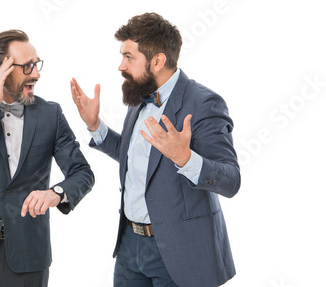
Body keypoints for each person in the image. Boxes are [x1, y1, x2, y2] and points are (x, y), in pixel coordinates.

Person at [71, 13, 240, 287]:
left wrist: (185, 158)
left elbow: (231, 181)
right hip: (129, 249)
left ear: (158, 61)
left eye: (129, 57)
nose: (120, 66)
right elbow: (136, 159)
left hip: (180, 253)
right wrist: (95, 126)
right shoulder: (139, 98)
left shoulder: (204, 103)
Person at [0, 29, 94, 287]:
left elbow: (82, 172)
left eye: (36, 64)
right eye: (27, 67)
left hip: (28, 254)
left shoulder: (51, 114)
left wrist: (56, 192)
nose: (36, 73)